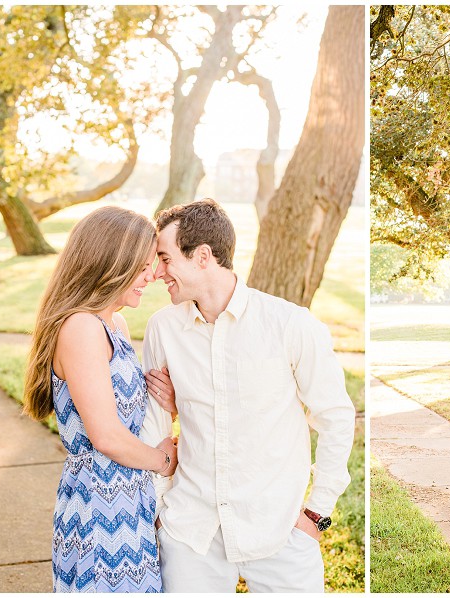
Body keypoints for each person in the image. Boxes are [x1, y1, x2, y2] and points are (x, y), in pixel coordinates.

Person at [139, 198, 356, 593]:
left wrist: (316, 513)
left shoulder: (290, 325)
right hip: (191, 530)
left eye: (166, 259)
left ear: (203, 256)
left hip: (279, 529)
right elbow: (153, 424)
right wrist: (158, 510)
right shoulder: (162, 329)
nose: (157, 273)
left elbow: (336, 418)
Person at [23, 206, 179, 592]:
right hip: (100, 506)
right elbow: (106, 436)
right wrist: (163, 461)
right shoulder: (81, 327)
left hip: (131, 498)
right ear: (111, 264)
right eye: (143, 266)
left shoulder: (114, 324)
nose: (154, 275)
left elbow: (125, 413)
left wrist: (170, 402)